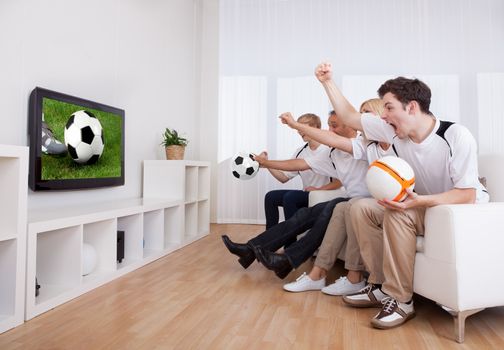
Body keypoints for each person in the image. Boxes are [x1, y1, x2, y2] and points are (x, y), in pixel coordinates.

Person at [314, 62, 489, 329]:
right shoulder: (394, 131)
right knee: (360, 207)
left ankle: (401, 301)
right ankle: (381, 286)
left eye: (389, 107)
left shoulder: (455, 135)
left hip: (461, 213)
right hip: (425, 207)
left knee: (399, 210)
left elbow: (467, 194)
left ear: (411, 107)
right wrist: (327, 82)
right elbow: (349, 116)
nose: (383, 116)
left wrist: (418, 201)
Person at [221, 112, 370, 279]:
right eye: (329, 125)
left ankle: (284, 258)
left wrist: (294, 124)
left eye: (334, 125)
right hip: (349, 199)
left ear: (351, 125)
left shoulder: (362, 145)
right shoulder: (332, 153)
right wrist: (265, 163)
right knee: (303, 214)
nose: (330, 130)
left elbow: (338, 179)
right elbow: (300, 164)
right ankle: (254, 250)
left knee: (322, 209)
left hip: (359, 200)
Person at [280, 99, 393, 295]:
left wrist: (296, 125)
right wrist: (265, 163)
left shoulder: (387, 142)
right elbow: (314, 155)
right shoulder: (365, 145)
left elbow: (331, 140)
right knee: (342, 207)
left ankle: (353, 277)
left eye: (367, 113)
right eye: (361, 114)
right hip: (363, 201)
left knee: (349, 206)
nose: (362, 118)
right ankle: (318, 274)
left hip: (379, 203)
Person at [263, 113, 342, 231]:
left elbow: (339, 182)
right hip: (308, 194)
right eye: (298, 128)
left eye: (303, 127)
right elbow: (283, 178)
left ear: (316, 128)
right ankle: (267, 241)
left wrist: (318, 189)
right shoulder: (300, 152)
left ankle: (290, 244)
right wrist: (265, 163)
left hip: (326, 193)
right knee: (271, 197)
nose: (300, 131)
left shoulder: (329, 149)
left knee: (291, 197)